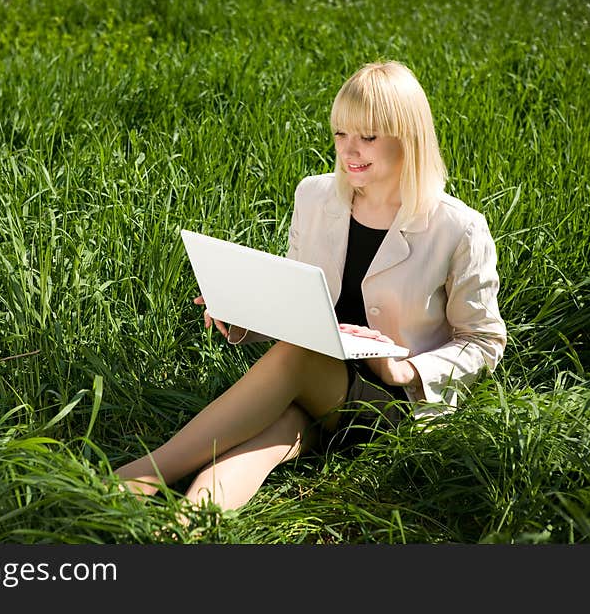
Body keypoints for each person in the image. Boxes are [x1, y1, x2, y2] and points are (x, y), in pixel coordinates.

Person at [114, 60, 507, 512]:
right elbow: (301, 304)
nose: (349, 150)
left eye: (369, 136)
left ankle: (141, 475)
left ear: (409, 137)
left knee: (295, 357)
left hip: (393, 403)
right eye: (341, 134)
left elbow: (484, 340)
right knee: (267, 436)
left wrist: (405, 371)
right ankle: (183, 527)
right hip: (319, 384)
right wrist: (243, 314)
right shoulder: (316, 197)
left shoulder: (458, 228)